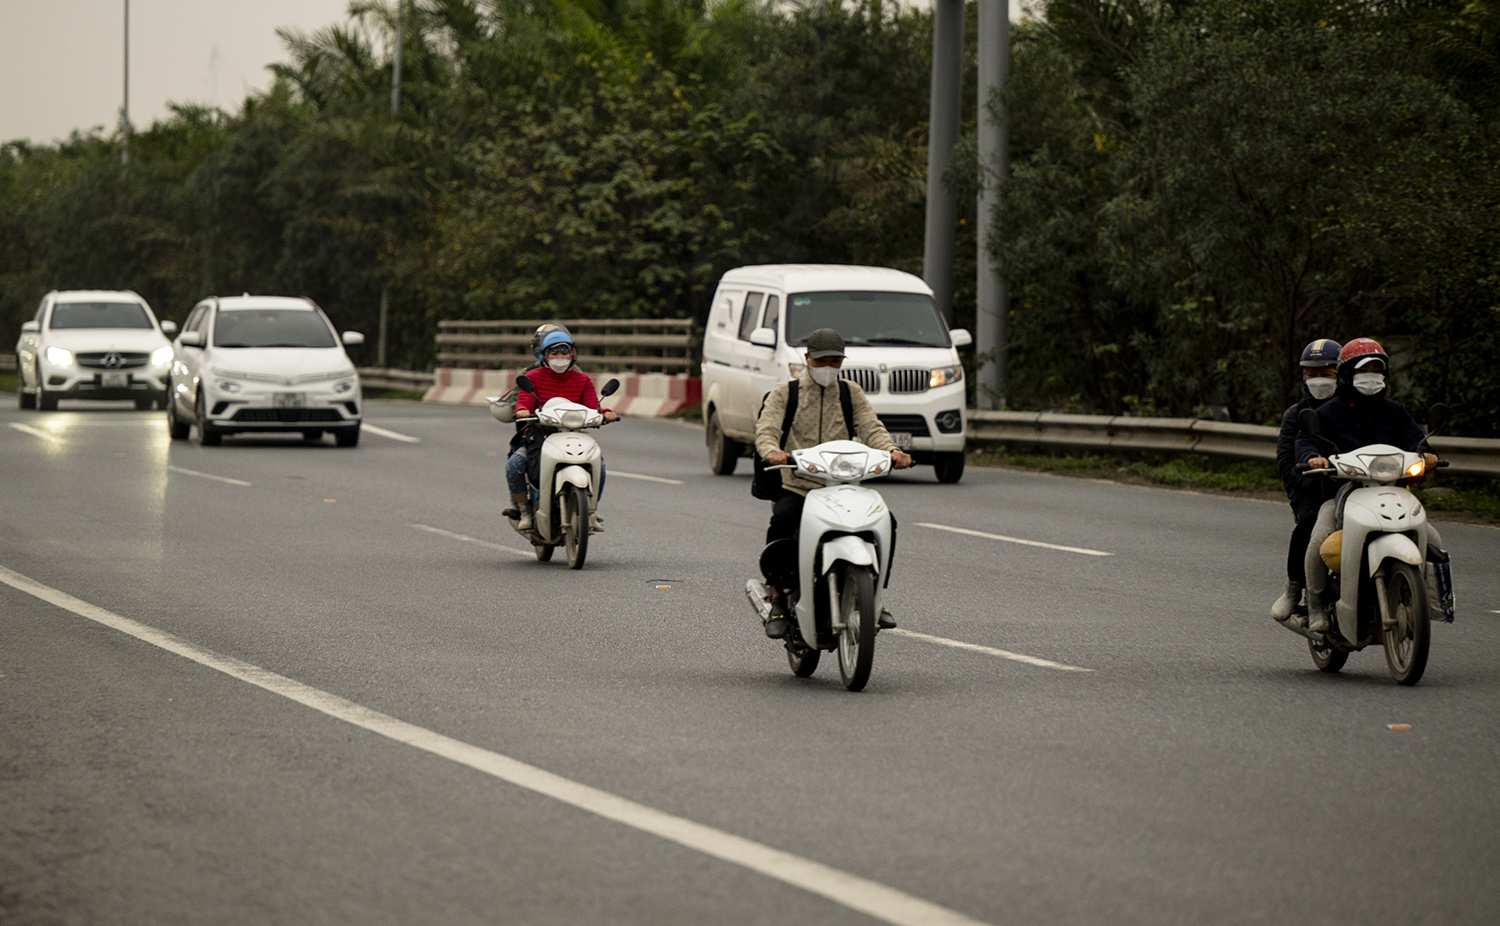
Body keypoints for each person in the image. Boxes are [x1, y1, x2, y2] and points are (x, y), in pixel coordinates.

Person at [755, 327, 913, 638]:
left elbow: (871, 427)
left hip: (843, 487)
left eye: (835, 361)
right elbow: (767, 428)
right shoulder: (785, 393)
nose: (829, 367)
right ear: (807, 359)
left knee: (887, 523)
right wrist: (772, 451)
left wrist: (892, 451)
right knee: (783, 520)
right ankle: (778, 597)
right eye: (822, 360)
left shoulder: (850, 393)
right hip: (799, 485)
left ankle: (875, 598)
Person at [1295, 337, 1440, 632]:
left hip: (1392, 492)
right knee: (1317, 540)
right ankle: (1317, 605)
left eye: (1377, 369)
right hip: (1341, 495)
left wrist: (1428, 454)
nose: (1371, 375)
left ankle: (1434, 604)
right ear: (1347, 374)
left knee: (1434, 540)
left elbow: (1416, 440)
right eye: (1364, 370)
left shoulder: (1395, 412)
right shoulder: (1327, 413)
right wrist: (1313, 458)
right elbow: (1306, 440)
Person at [505, 330, 617, 533]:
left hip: (575, 434)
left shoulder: (582, 380)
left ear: (572, 356)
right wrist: (522, 410)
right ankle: (525, 511)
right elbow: (524, 401)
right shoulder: (532, 377)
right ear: (545, 357)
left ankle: (591, 511)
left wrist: (606, 413)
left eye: (564, 354)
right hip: (540, 434)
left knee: (599, 466)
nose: (559, 359)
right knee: (515, 464)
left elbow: (593, 408)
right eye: (554, 354)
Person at [1269, 338, 1341, 622]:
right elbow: (1286, 464)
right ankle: (1294, 590)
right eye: (1312, 373)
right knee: (1309, 521)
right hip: (1309, 489)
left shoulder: (1351, 409)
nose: (1319, 379)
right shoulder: (1296, 414)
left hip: (1351, 485)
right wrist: (1312, 482)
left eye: (1327, 373)